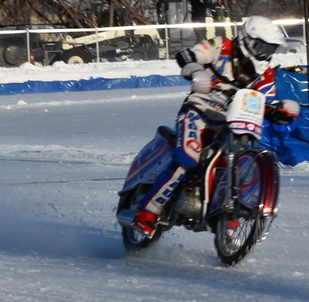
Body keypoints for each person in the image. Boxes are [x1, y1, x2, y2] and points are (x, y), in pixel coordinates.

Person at [128, 16, 298, 237]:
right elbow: (188, 54)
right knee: (188, 159)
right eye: (261, 47)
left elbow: (265, 99)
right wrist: (196, 72)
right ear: (247, 39)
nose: (264, 53)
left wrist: (281, 110)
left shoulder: (265, 73)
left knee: (242, 166)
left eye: (270, 49)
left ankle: (229, 217)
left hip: (235, 121)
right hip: (199, 112)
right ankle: (148, 212)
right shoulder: (221, 46)